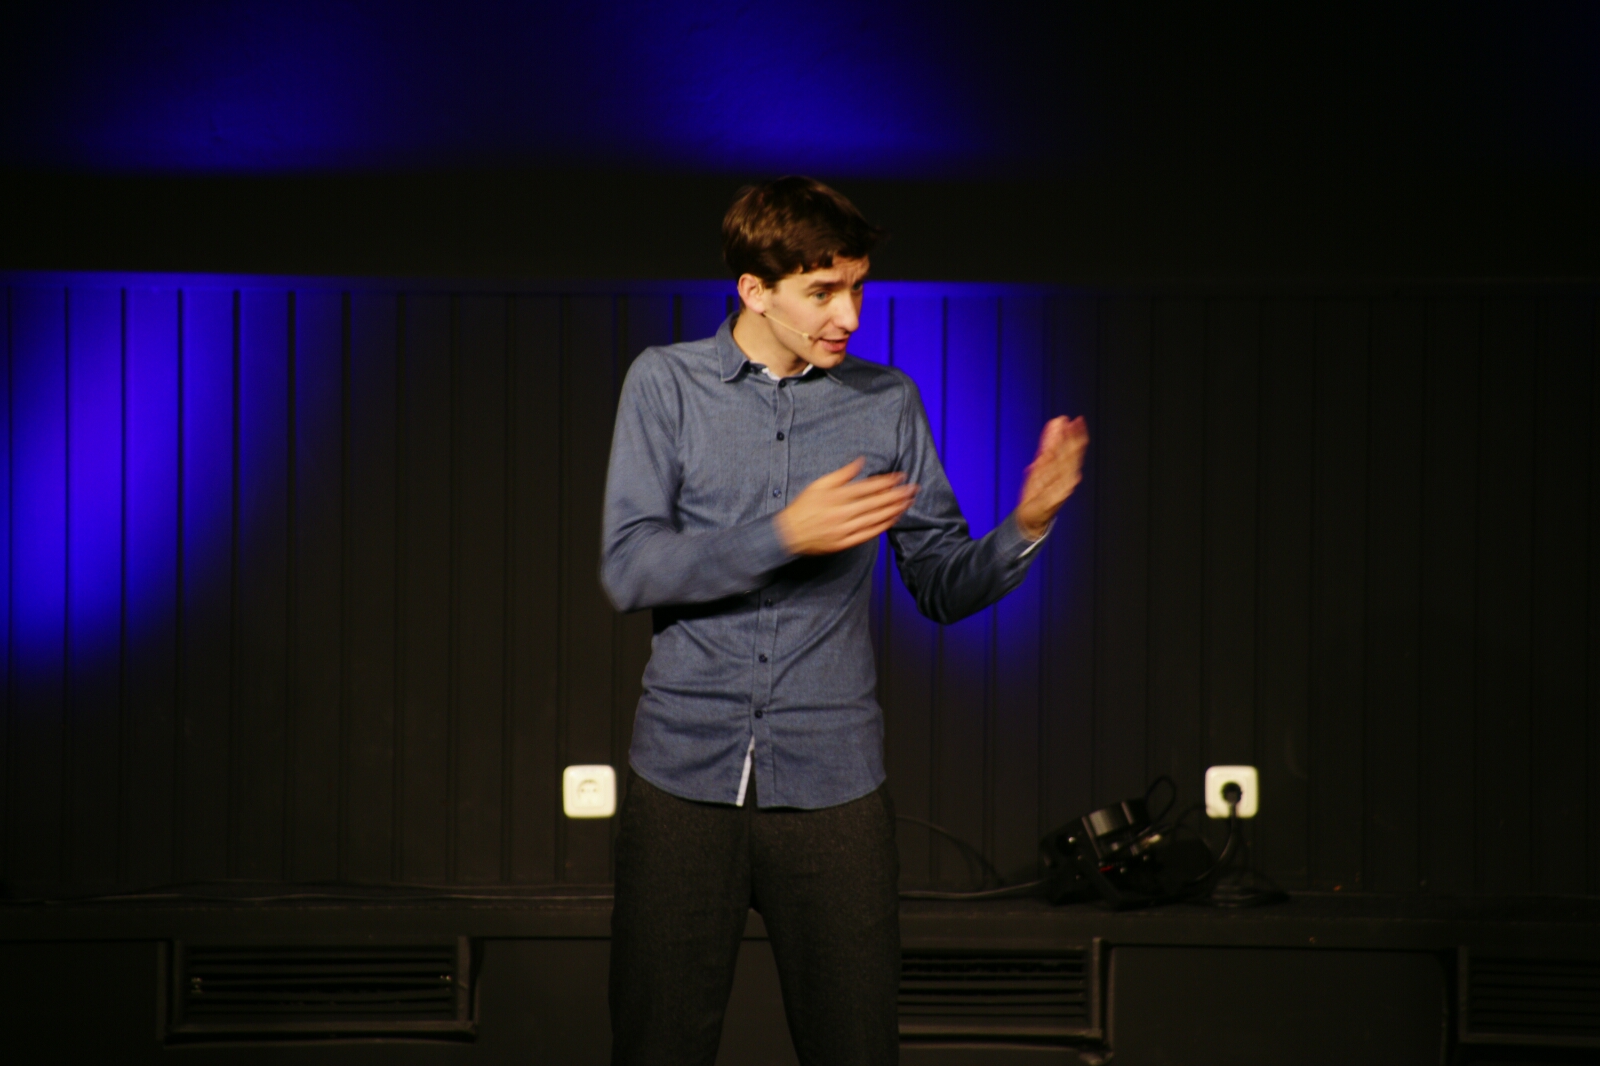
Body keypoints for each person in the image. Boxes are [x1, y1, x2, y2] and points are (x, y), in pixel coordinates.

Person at [600, 176, 1089, 1065]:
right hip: (682, 783)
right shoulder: (665, 383)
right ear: (754, 290)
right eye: (823, 292)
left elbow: (940, 584)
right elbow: (631, 568)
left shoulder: (885, 402)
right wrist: (783, 534)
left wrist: (1026, 526)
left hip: (835, 787)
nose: (850, 315)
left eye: (858, 287)